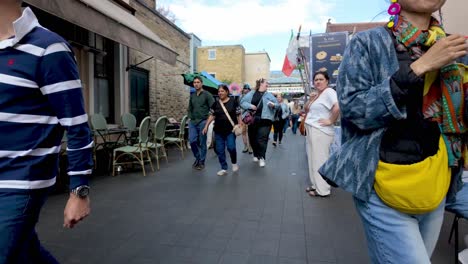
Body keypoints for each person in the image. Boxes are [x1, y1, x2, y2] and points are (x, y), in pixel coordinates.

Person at [318, 0, 468, 262]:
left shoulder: (456, 49)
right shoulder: (367, 43)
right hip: (381, 184)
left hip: (438, 181)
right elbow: (354, 110)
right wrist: (418, 68)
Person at [0, 2, 94, 263]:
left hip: (20, 183)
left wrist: (79, 191)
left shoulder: (49, 48)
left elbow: (76, 125)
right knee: (26, 254)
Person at [304, 72, 339, 197]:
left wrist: (330, 120)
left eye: (321, 79)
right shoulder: (318, 95)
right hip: (312, 128)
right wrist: (311, 99)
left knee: (320, 160)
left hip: (321, 131)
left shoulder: (329, 92)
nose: (318, 81)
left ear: (327, 81)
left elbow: (337, 106)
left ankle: (323, 190)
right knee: (312, 159)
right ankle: (315, 185)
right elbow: (306, 109)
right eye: (316, 80)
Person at [202, 84, 242, 176]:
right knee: (220, 150)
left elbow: (238, 114)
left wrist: (240, 124)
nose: (220, 93)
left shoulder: (233, 102)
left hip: (230, 130)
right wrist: (206, 126)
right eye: (219, 91)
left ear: (227, 92)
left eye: (222, 91)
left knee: (231, 147)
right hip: (218, 131)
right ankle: (224, 168)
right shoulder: (215, 104)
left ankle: (234, 163)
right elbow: (212, 115)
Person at [240, 78, 278, 168]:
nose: (267, 85)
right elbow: (242, 102)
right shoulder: (252, 93)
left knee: (262, 139)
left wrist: (273, 105)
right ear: (261, 83)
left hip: (266, 120)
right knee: (252, 139)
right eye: (266, 83)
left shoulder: (269, 95)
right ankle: (256, 154)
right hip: (253, 121)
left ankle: (262, 157)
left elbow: (277, 105)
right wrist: (250, 106)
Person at [187, 76, 215, 170]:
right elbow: (190, 108)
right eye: (194, 82)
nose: (196, 84)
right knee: (192, 141)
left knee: (202, 142)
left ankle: (202, 162)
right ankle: (198, 158)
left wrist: (208, 119)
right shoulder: (193, 95)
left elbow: (214, 107)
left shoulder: (207, 94)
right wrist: (190, 117)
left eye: (198, 82)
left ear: (201, 83)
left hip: (203, 121)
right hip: (193, 122)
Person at [240, 84, 252, 154]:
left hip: (250, 116)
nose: (246, 90)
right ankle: (245, 146)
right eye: (245, 89)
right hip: (242, 116)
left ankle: (250, 147)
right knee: (243, 132)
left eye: (247, 89)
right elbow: (239, 106)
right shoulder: (241, 97)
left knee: (250, 132)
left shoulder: (251, 97)